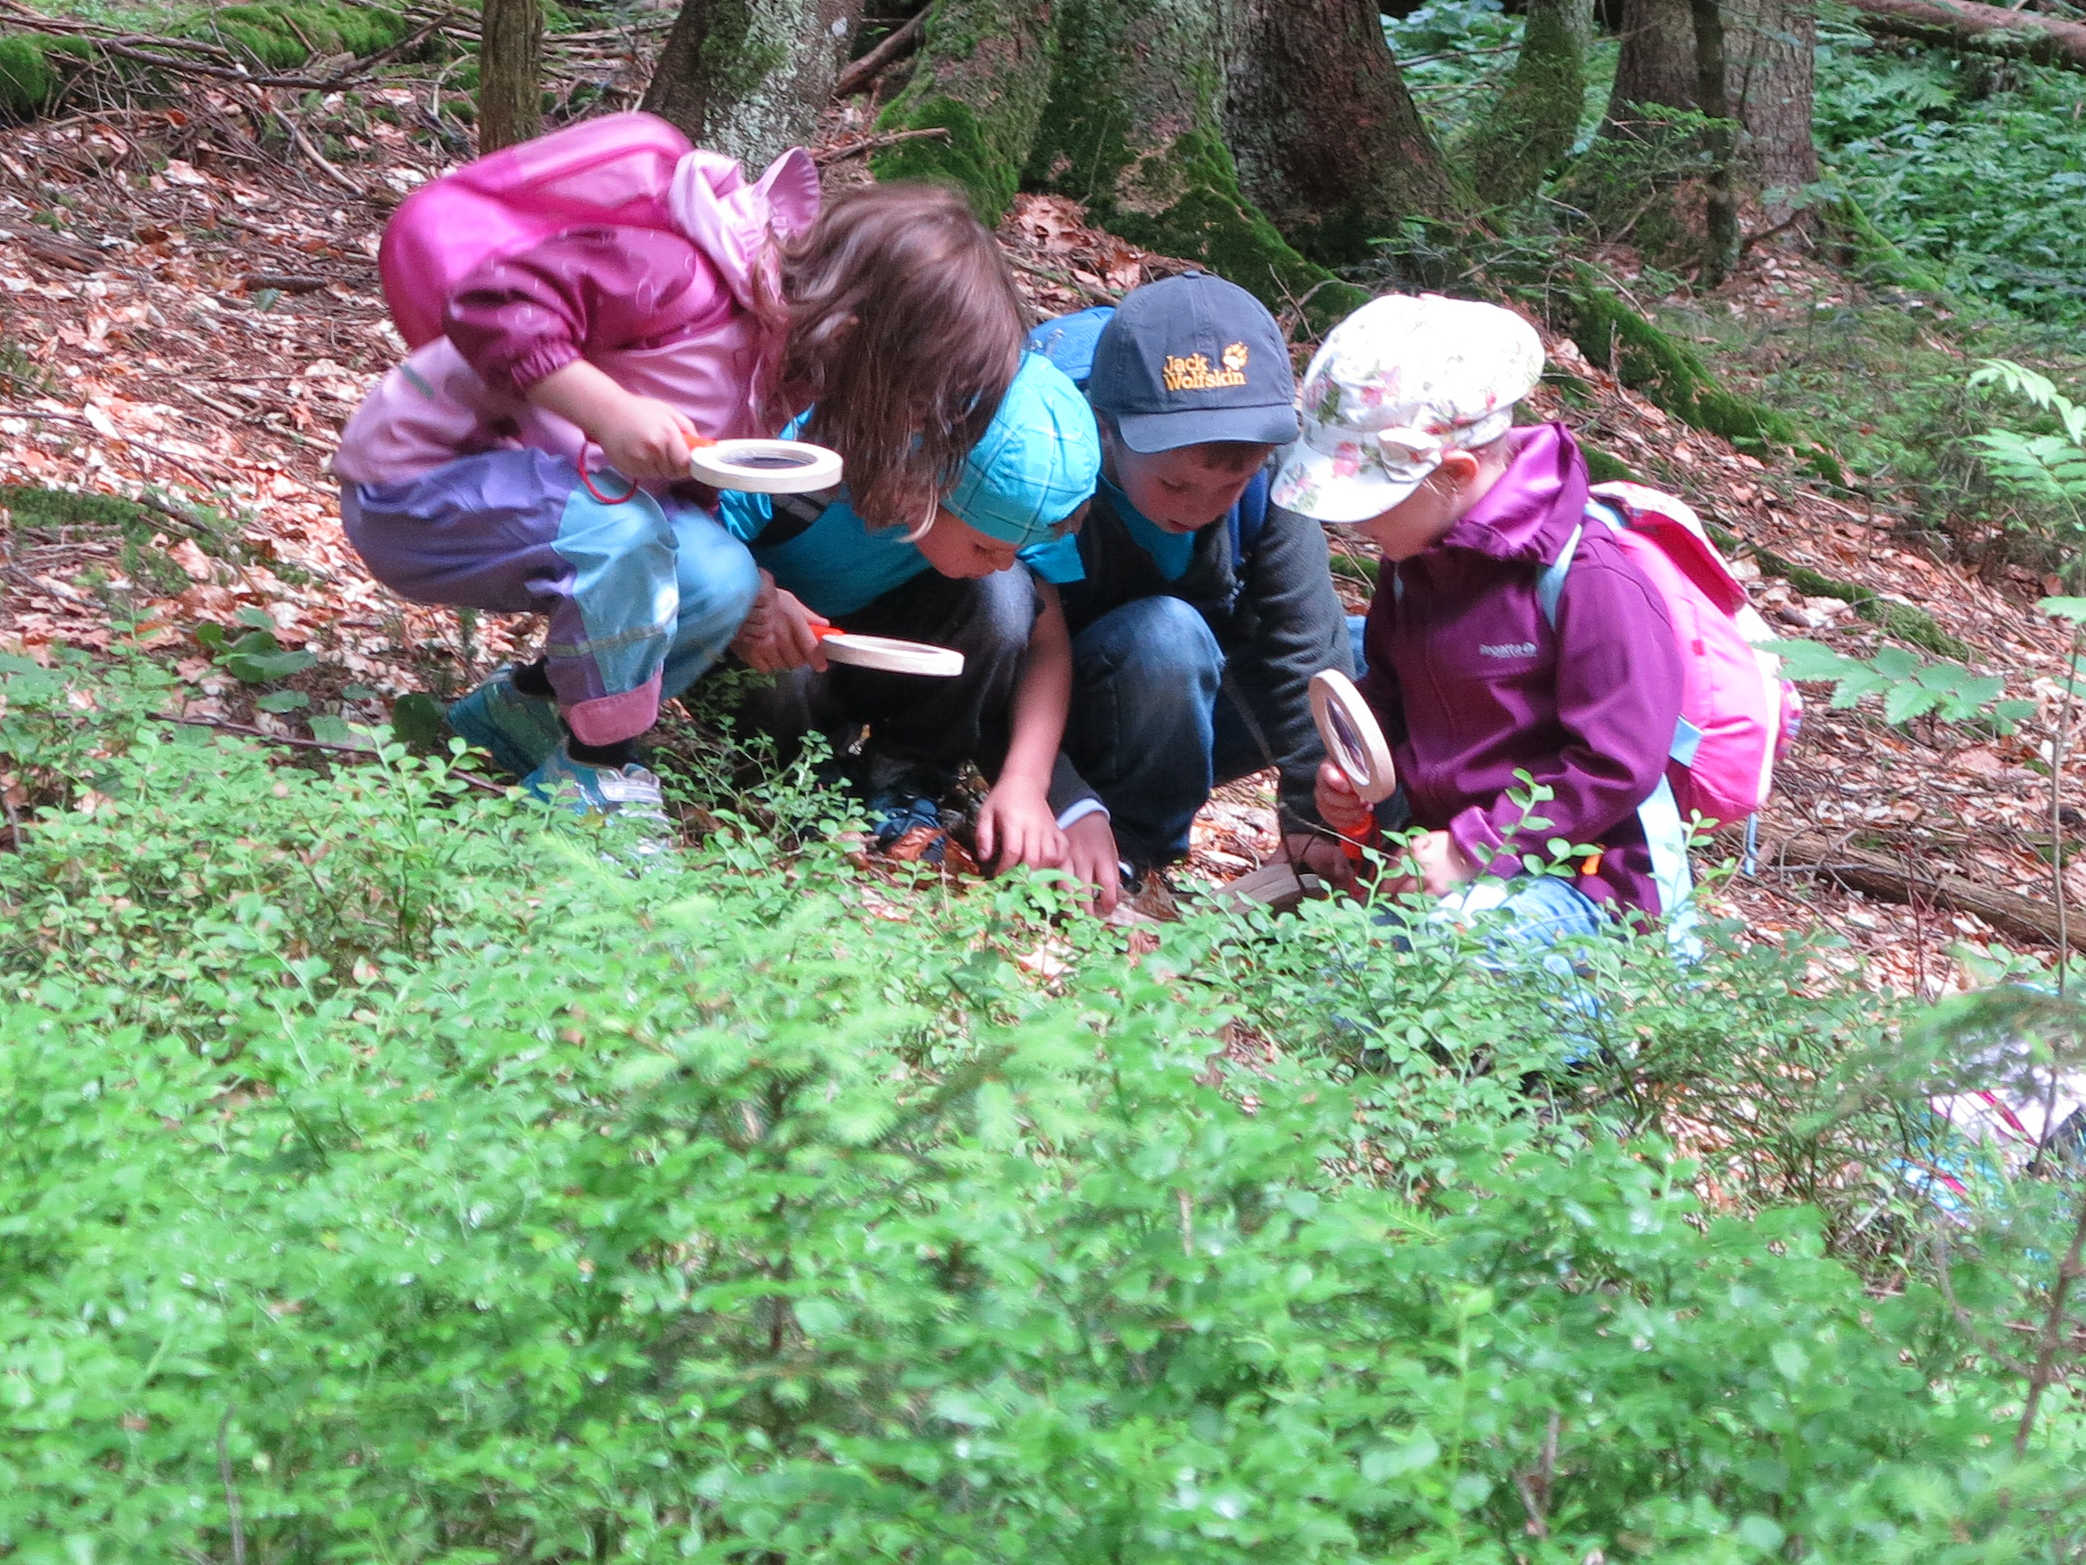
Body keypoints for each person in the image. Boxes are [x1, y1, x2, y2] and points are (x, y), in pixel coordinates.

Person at [333, 133, 1027, 824]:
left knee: (715, 578)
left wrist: (756, 596)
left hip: (563, 502)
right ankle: (594, 777)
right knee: (625, 532)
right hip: (422, 483)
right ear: (853, 335)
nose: (905, 421)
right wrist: (610, 413)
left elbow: (687, 494)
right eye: (908, 399)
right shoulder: (679, 275)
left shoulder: (778, 362)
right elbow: (490, 304)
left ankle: (523, 718)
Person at [1275, 293, 1689, 939]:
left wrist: (1476, 846)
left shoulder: (1585, 579)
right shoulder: (1414, 562)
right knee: (1342, 959)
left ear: (1455, 474)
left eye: (1368, 501)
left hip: (1587, 880)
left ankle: (1615, 1005)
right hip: (1448, 858)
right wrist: (1357, 772)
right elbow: (1388, 689)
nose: (1351, 523)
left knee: (1428, 960)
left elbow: (1616, 762)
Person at [1027, 272, 1354, 912]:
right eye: (1176, 487)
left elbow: (1306, 642)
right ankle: (1132, 848)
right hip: (1061, 702)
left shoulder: (1271, 470)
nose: (1202, 507)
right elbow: (998, 642)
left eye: (1231, 486)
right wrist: (1066, 796)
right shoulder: (1045, 457)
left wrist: (1312, 815)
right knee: (1166, 636)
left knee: (1364, 658)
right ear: (1107, 431)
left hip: (1186, 701)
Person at [723, 350, 1100, 877]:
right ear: (922, 492)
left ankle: (903, 781)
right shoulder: (809, 455)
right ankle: (791, 780)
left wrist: (1025, 781)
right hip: (774, 647)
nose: (1003, 560)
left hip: (876, 646)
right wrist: (752, 593)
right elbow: (697, 532)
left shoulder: (1016, 494)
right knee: (757, 631)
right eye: (986, 547)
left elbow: (1045, 643)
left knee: (1009, 599)